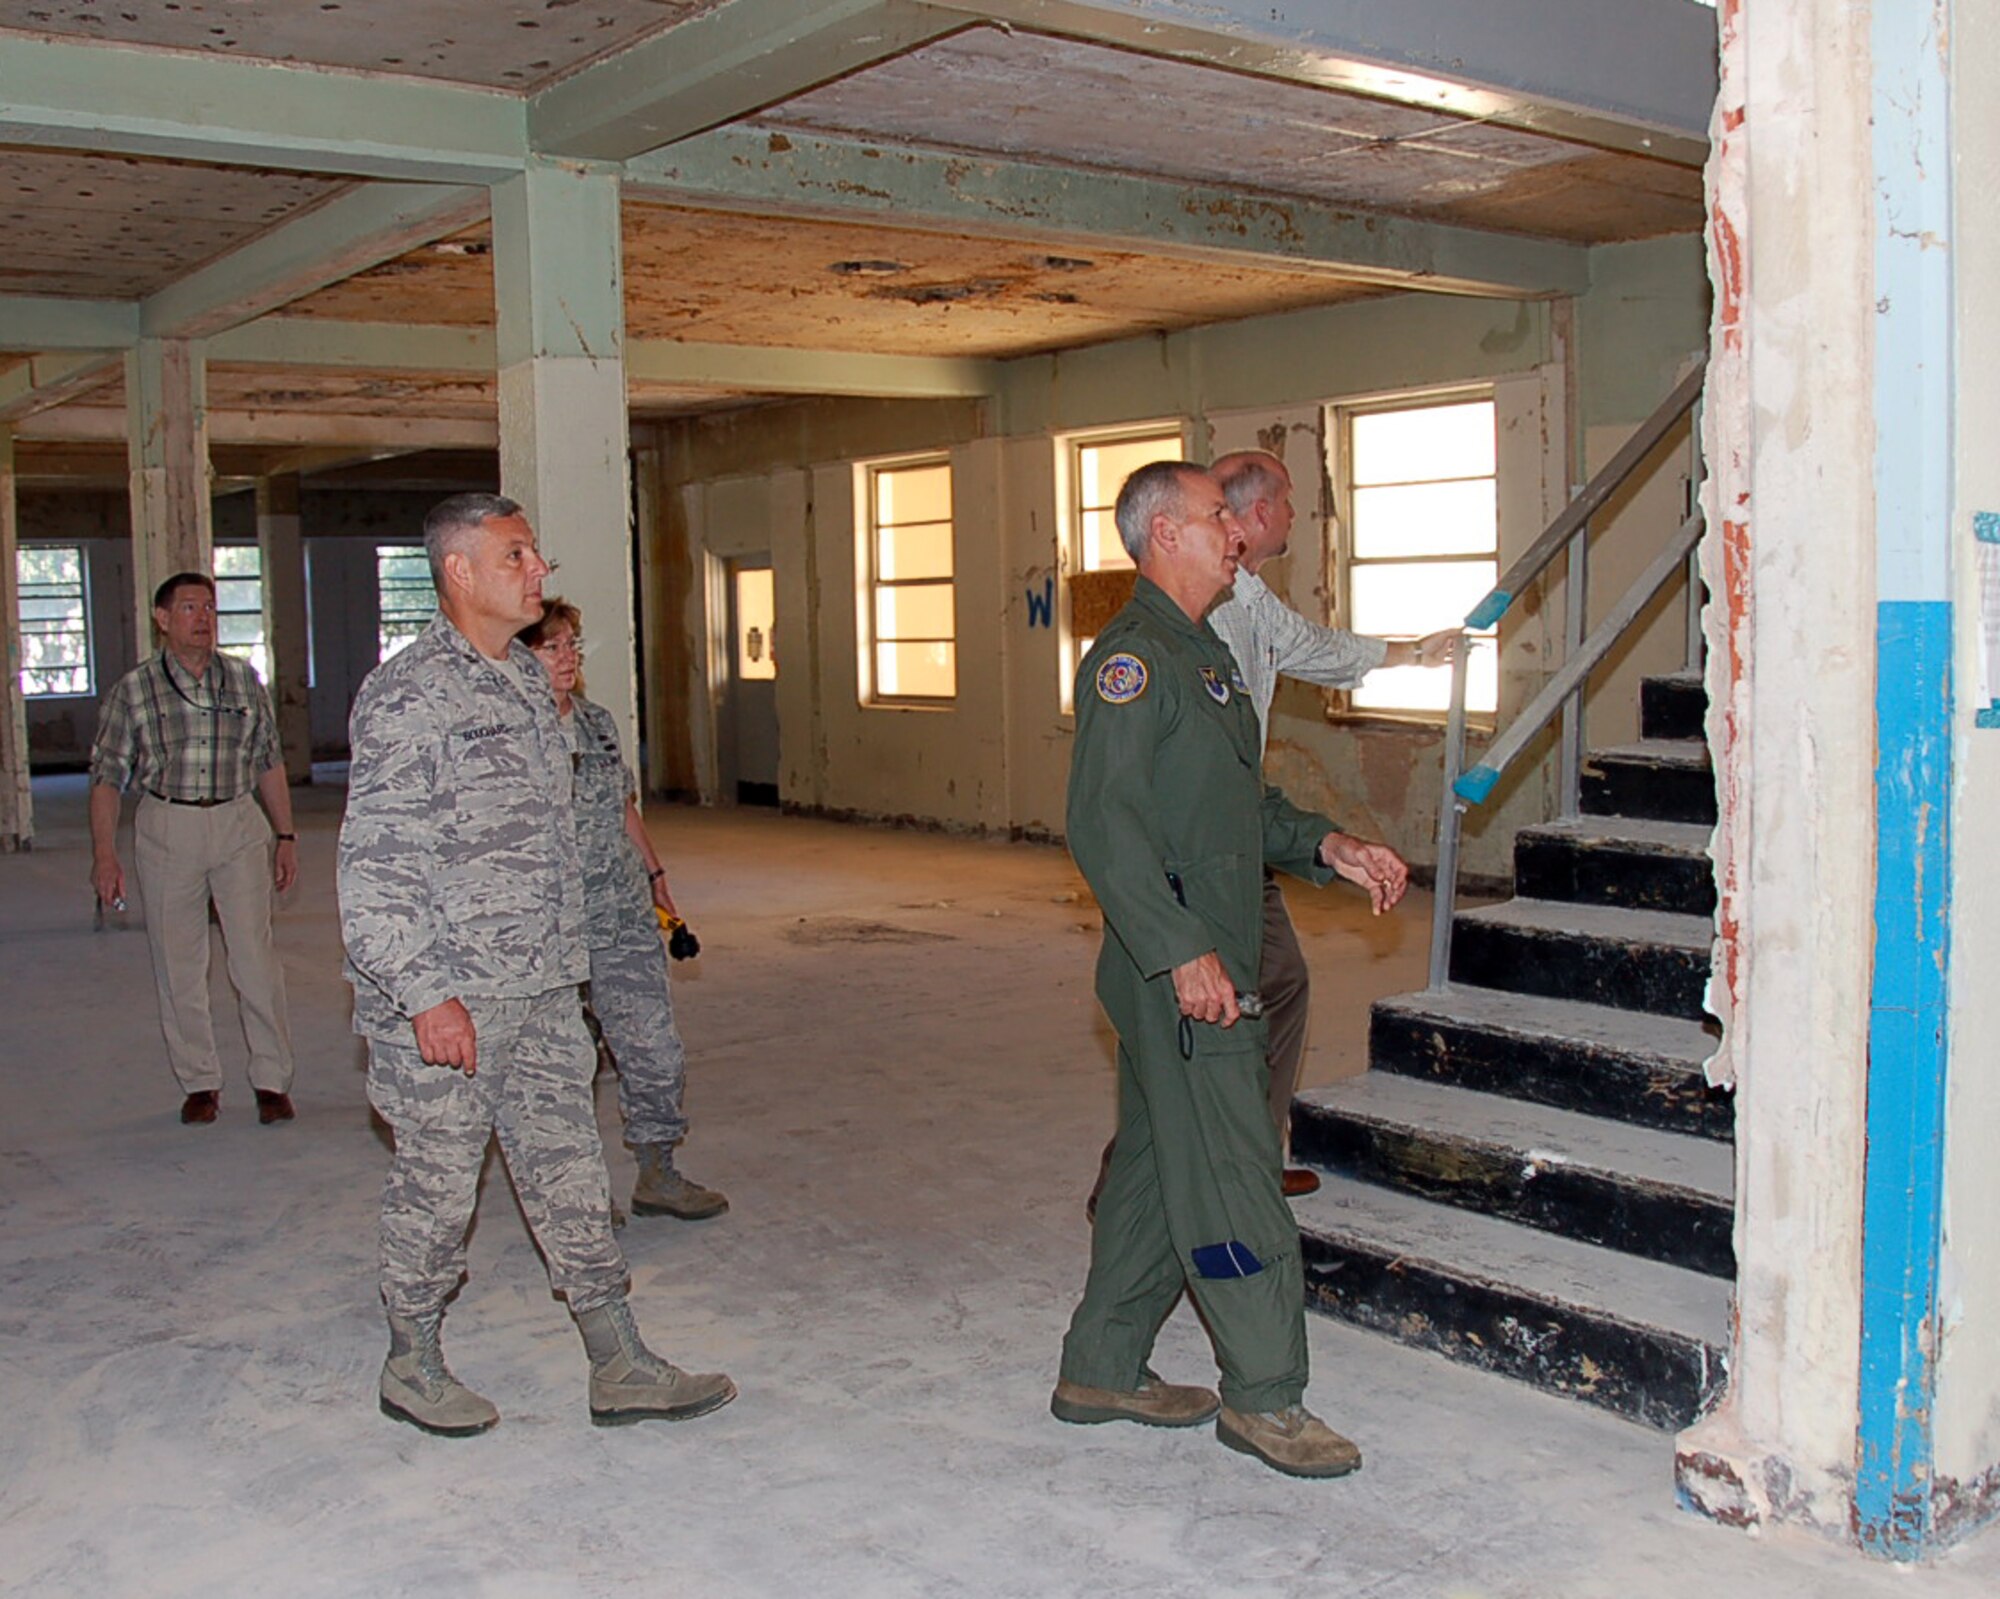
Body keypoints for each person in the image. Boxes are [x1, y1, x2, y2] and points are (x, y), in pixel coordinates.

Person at [338, 493, 734, 1438]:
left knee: (568, 1176)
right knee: (437, 1190)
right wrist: (426, 994)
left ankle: (619, 1360)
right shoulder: (405, 696)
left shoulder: (525, 682)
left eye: (537, 554)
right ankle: (412, 1358)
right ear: (461, 572)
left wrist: (579, 969)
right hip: (452, 1003)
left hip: (547, 990)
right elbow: (375, 869)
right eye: (517, 555)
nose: (539, 569)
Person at [1052, 461, 1409, 1480]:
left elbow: (1229, 807)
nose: (1237, 536)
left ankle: (1101, 1364)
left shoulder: (1203, 655)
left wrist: (1328, 844)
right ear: (1164, 534)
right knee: (1234, 1173)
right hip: (1184, 969)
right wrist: (1180, 954)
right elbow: (1106, 826)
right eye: (1218, 520)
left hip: (1202, 947)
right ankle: (1265, 1397)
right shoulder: (1131, 661)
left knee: (1164, 1165)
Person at [1206, 447, 1456, 1197]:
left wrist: (1410, 652)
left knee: (1278, 982)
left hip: (1245, 828)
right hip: (1204, 841)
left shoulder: (1249, 598)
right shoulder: (1203, 610)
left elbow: (1313, 647)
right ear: (1253, 517)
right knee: (1201, 1020)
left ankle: (1251, 1156)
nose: (1294, 516)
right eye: (1285, 502)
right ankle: (1153, 1180)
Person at [519, 598, 728, 1221]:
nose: (567, 658)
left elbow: (623, 806)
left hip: (622, 917)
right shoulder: (509, 738)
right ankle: (578, 1189)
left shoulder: (598, 724)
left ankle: (658, 1171)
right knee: (564, 1065)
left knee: (655, 1049)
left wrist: (656, 875)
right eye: (550, 647)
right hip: (548, 928)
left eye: (572, 645)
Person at [89, 571, 299, 1126]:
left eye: (209, 608)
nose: (203, 618)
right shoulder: (133, 690)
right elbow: (108, 776)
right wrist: (104, 855)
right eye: (188, 608)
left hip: (236, 821)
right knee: (180, 962)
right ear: (161, 620)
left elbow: (268, 761)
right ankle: (200, 1082)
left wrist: (285, 834)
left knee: (255, 959)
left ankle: (272, 1081)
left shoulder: (243, 680)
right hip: (168, 826)